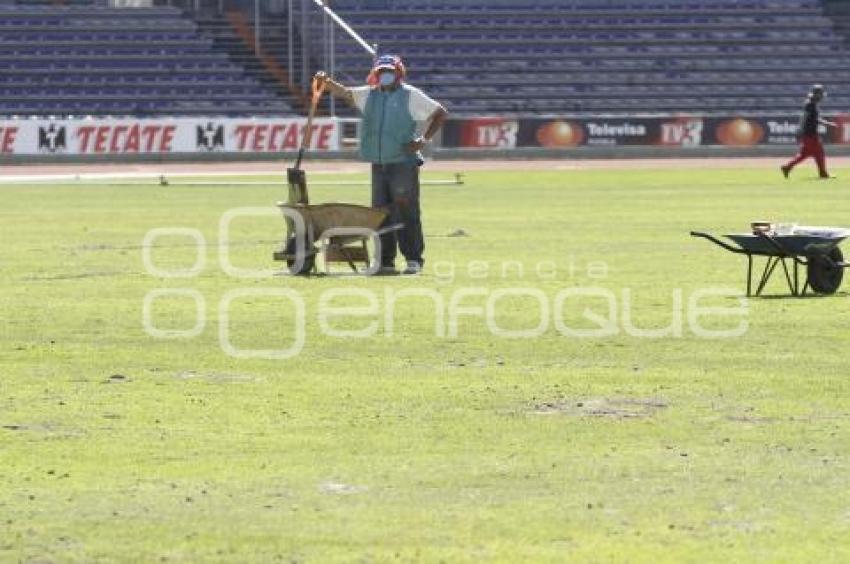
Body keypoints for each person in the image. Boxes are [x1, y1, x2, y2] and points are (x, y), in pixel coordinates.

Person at [314, 55, 448, 275]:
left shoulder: (410, 95)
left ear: (398, 73)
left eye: (390, 71)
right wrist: (326, 82)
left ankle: (414, 259)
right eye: (381, 71)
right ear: (376, 74)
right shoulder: (370, 94)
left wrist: (422, 141)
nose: (385, 75)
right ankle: (386, 260)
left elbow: (440, 113)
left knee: (406, 211)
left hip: (402, 163)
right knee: (380, 214)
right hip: (378, 162)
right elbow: (347, 93)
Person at [781, 84, 838, 179]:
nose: (822, 96)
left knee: (810, 154)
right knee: (817, 153)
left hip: (810, 134)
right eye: (821, 94)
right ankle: (822, 173)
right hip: (810, 134)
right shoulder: (810, 104)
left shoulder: (812, 104)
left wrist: (827, 123)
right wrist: (800, 128)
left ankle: (787, 167)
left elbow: (813, 119)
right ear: (817, 94)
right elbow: (806, 118)